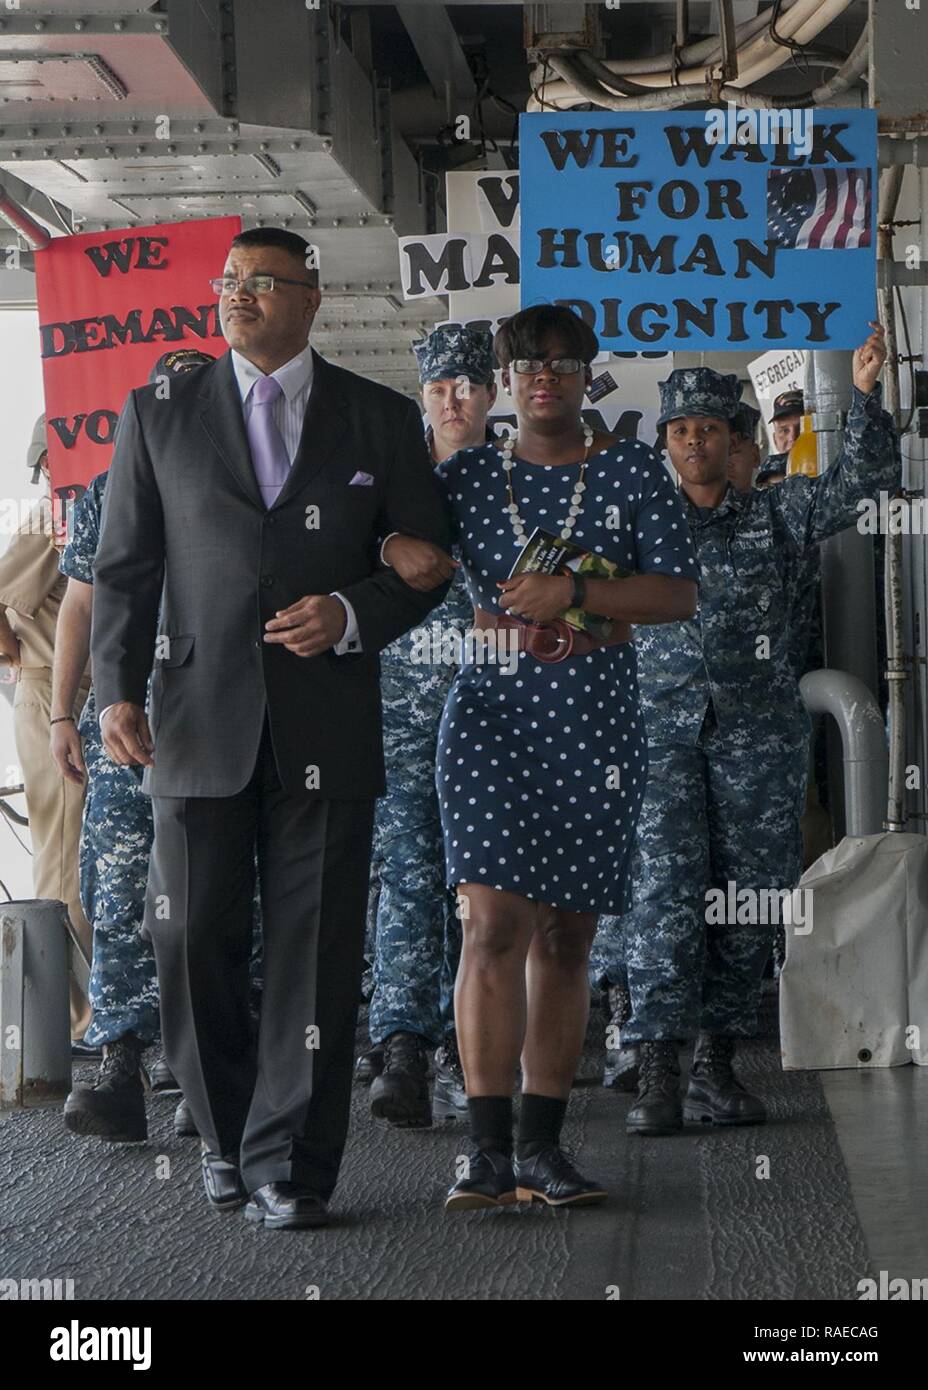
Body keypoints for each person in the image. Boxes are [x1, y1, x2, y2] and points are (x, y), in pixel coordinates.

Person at [90, 226, 451, 1229]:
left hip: (326, 721)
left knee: (316, 948)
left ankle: (291, 1164)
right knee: (193, 938)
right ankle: (222, 1134)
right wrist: (114, 689)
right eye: (228, 281)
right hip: (193, 724)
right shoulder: (157, 412)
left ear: (310, 298)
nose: (238, 295)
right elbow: (126, 569)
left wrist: (350, 614)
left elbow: (427, 562)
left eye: (261, 282)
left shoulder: (378, 419)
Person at [383, 304, 698, 1208]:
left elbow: (677, 595)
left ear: (587, 373)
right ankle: (483, 1151)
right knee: (490, 925)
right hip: (489, 712)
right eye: (528, 365)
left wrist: (576, 592)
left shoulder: (636, 468)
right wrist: (390, 541)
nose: (546, 378)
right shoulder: (470, 475)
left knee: (566, 936)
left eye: (563, 363)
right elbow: (396, 544)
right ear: (507, 380)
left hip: (597, 718)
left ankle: (541, 1148)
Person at [600, 327, 899, 1138]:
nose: (695, 441)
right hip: (657, 737)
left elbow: (864, 482)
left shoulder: (777, 513)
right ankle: (657, 1064)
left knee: (746, 899)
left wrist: (866, 398)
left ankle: (716, 1065)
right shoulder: (634, 531)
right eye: (680, 430)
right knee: (661, 894)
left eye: (709, 429)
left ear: (734, 441)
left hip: (758, 741)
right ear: (665, 443)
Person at [52, 350, 221, 1144]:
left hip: (216, 718)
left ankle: (206, 1069)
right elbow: (80, 608)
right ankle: (119, 1054)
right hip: (126, 726)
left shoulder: (245, 485)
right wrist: (60, 713)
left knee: (217, 897)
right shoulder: (104, 491)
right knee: (119, 892)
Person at [363, 325, 495, 1129]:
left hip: (491, 713)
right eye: (441, 385)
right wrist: (384, 537)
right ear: (424, 394)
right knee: (407, 875)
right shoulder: (384, 480)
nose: (454, 398)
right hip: (401, 713)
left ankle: (465, 1045)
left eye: (469, 385)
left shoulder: (517, 485)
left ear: (491, 394)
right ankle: (401, 1046)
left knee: (480, 888)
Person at [0, 416, 94, 1047]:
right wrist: (20, 661)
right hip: (53, 695)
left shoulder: (93, 506)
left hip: (87, 694)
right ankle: (69, 1023)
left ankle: (86, 1015)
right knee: (65, 855)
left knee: (89, 853)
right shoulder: (50, 515)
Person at [755, 388, 804, 487]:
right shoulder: (769, 473)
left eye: (802, 428)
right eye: (784, 430)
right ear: (775, 440)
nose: (793, 438)